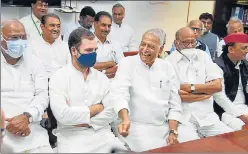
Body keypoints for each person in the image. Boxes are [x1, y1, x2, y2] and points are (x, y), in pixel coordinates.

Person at [109, 28, 197, 152]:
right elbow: (120, 94)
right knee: (157, 150)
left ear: (160, 49)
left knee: (193, 144)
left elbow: (175, 104)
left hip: (165, 125)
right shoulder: (127, 63)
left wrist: (173, 131)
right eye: (142, 44)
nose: (144, 49)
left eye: (150, 46)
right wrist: (124, 119)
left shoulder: (167, 67)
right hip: (135, 126)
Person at [49, 27, 127, 153]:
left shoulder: (101, 78)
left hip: (103, 135)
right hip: (71, 138)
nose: (94, 54)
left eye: (95, 50)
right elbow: (63, 115)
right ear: (74, 51)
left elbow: (112, 112)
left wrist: (87, 122)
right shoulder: (59, 78)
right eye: (89, 50)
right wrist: (97, 108)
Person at [167, 27, 233, 139]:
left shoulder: (203, 57)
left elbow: (217, 86)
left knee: (231, 140)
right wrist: (206, 93)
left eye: (192, 42)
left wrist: (191, 88)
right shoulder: (168, 62)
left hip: (207, 116)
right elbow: (178, 96)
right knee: (192, 147)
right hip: (184, 119)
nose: (189, 45)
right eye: (185, 42)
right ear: (176, 43)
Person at [1, 20, 52, 153]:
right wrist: (8, 125)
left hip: (32, 130)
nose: (20, 41)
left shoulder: (35, 63)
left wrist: (27, 117)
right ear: (1, 39)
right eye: (14, 38)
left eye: (23, 37)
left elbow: (42, 95)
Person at [29, 13, 70, 149]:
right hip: (42, 87)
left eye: (58, 26)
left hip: (62, 86)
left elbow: (70, 69)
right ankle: (50, 140)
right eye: (52, 25)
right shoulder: (32, 46)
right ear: (42, 27)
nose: (56, 29)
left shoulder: (65, 46)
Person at [213, 33, 248, 130]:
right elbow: (220, 98)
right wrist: (241, 116)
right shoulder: (217, 65)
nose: (247, 51)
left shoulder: (244, 63)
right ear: (231, 49)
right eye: (244, 48)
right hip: (225, 111)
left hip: (244, 107)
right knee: (243, 130)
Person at [93, 11, 124, 79]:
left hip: (112, 82)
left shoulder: (115, 44)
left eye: (109, 26)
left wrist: (100, 70)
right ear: (95, 24)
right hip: (92, 82)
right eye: (103, 25)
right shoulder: (87, 42)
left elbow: (122, 66)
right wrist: (110, 64)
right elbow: (87, 67)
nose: (107, 29)